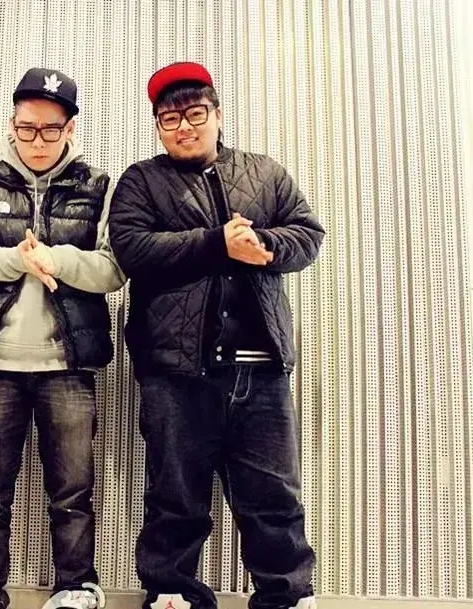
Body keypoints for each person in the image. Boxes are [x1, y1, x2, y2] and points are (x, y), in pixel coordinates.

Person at [108, 61, 324, 609]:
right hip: (176, 370)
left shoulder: (265, 172)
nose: (184, 127)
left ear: (218, 115)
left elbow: (308, 234)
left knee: (274, 497)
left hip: (262, 369)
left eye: (195, 113)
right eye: (169, 118)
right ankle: (171, 593)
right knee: (175, 496)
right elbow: (132, 248)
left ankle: (286, 596)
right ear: (158, 126)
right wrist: (215, 243)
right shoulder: (141, 181)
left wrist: (266, 246)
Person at [0, 67, 125, 609]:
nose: (38, 140)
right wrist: (14, 260)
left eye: (51, 129)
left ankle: (76, 586)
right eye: (27, 128)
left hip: (67, 365)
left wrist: (57, 259)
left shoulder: (97, 185)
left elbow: (113, 270)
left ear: (70, 129)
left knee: (73, 491)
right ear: (11, 124)